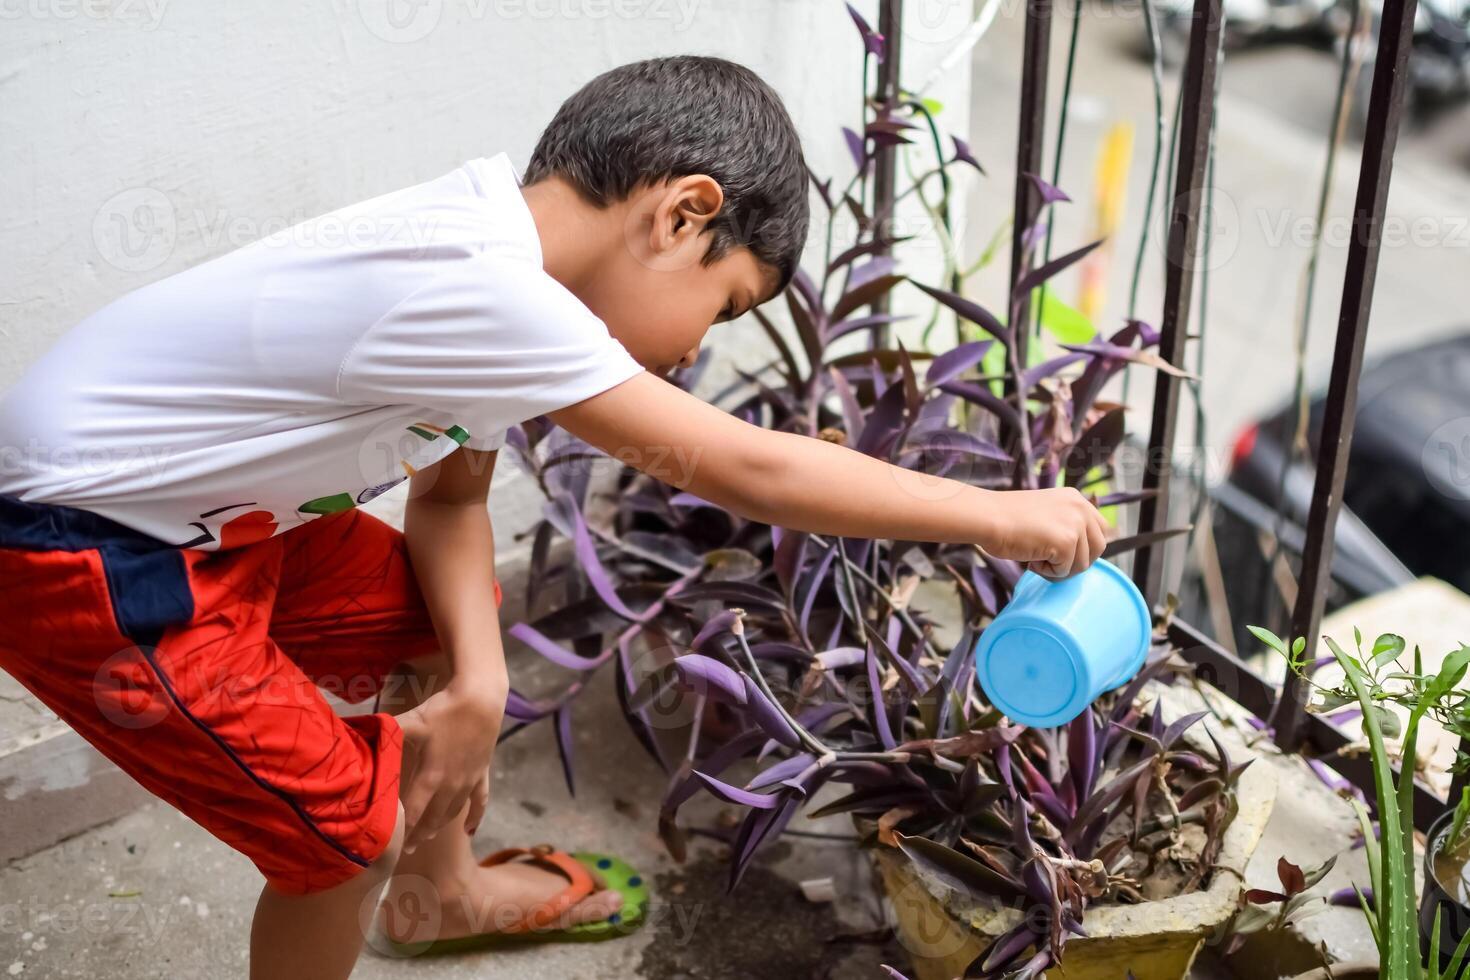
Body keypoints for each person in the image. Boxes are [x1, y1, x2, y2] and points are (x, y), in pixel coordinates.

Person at [0, 56, 1107, 979]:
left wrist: (477, 685)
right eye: (722, 307)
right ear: (683, 212)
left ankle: (441, 894)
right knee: (343, 837)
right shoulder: (485, 288)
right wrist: (1001, 516)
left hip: (205, 525)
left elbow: (449, 498)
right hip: (84, 550)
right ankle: (388, 867)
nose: (691, 352)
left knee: (446, 605)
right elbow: (747, 469)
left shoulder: (489, 254)